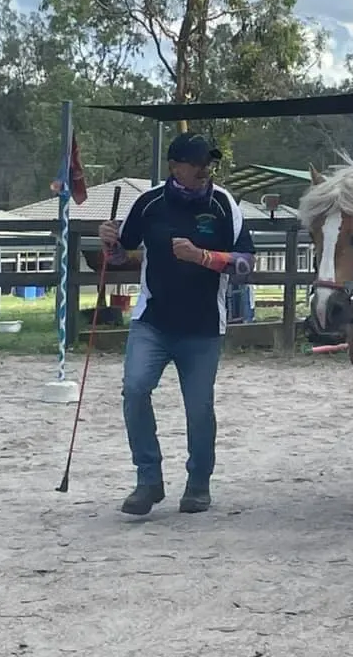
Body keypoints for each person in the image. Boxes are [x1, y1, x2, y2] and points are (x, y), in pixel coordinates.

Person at [98, 133, 255, 517]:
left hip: (202, 327)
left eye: (208, 162)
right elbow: (121, 254)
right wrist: (109, 242)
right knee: (134, 390)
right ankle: (148, 480)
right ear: (175, 166)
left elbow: (246, 264)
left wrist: (203, 257)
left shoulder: (225, 204)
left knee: (199, 408)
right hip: (152, 321)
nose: (205, 169)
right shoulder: (149, 202)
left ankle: (198, 483)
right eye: (197, 162)